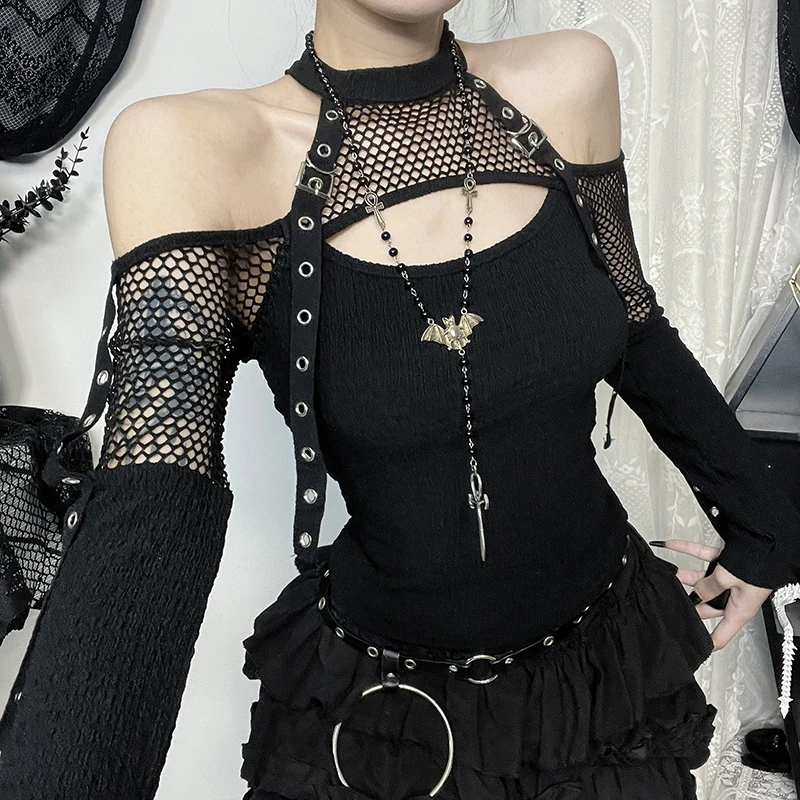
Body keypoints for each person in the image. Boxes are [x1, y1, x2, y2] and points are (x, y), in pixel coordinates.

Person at [1, 2, 799, 799]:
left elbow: (632, 318)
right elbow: (155, 493)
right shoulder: (194, 149)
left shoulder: (569, 78)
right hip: (392, 720)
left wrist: (763, 525)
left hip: (609, 673)